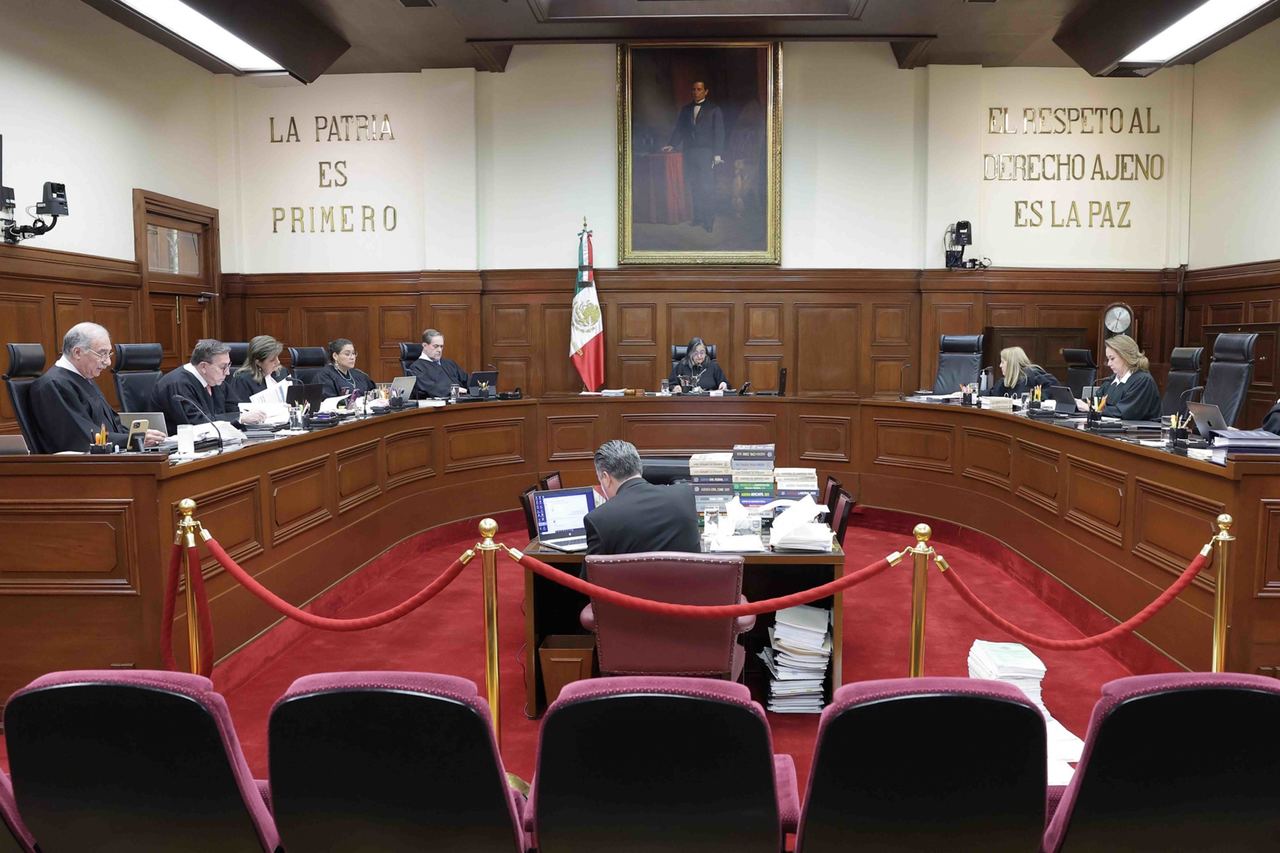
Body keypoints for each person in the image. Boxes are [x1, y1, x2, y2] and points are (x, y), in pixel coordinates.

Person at [28, 322, 166, 452]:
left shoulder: (84, 378)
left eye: (109, 353)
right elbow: (81, 438)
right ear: (77, 353)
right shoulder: (53, 385)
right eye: (102, 353)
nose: (108, 362)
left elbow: (111, 426)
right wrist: (130, 440)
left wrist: (138, 436)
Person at [583, 439, 700, 555]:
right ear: (639, 467)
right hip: (681, 568)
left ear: (605, 477)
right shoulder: (686, 495)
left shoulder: (599, 519)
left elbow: (593, 566)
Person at [151, 339, 265, 433]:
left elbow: (234, 408)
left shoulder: (215, 380)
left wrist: (246, 415)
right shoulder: (177, 385)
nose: (227, 372)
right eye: (223, 367)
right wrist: (239, 418)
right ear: (203, 367)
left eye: (229, 366)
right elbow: (196, 424)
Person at [662, 80, 725, 232]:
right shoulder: (686, 109)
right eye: (694, 89)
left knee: (707, 187)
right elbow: (679, 129)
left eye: (699, 89)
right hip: (689, 152)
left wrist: (717, 154)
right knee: (694, 186)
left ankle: (708, 221)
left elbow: (719, 133)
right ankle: (698, 218)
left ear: (706, 91)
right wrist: (672, 144)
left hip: (706, 153)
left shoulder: (714, 109)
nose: (696, 92)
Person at [1075, 335, 1161, 421]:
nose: (1109, 364)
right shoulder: (1112, 380)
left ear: (1125, 357)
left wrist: (1090, 408)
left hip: (1140, 429)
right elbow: (1096, 401)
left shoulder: (1143, 380)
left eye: (1112, 358)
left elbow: (1125, 412)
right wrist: (1076, 402)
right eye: (1108, 359)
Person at [408, 328, 468, 399]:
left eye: (441, 346)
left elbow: (466, 380)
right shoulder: (416, 368)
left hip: (462, 401)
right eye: (435, 346)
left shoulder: (449, 363)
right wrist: (454, 390)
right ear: (424, 346)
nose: (439, 350)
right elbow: (432, 389)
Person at [226, 335, 287, 404]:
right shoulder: (242, 381)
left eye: (277, 357)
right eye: (272, 360)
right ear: (258, 362)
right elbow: (240, 408)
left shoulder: (283, 372)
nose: (278, 362)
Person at [986, 346, 1058, 397]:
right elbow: (991, 394)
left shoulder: (1033, 376)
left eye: (1002, 362)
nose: (1000, 365)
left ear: (1011, 363)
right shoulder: (1004, 382)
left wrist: (1036, 398)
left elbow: (1055, 390)